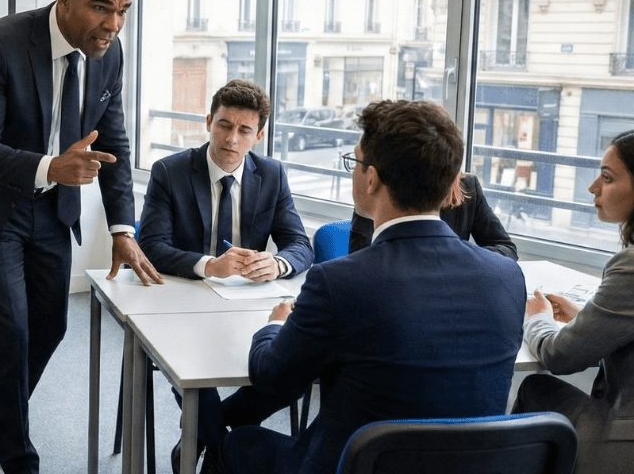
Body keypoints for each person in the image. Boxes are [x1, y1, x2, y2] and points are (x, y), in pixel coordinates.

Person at [0, 0, 163, 474]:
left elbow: (114, 141)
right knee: (9, 334)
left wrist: (122, 228)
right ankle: (19, 458)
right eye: (101, 7)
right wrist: (51, 166)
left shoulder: (109, 54)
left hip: (53, 209)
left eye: (123, 11)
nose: (113, 24)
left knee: (50, 326)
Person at [221, 100, 526, 474]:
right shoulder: (508, 278)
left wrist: (274, 326)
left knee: (238, 442)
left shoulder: (338, 282)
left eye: (356, 162)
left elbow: (271, 376)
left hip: (354, 465)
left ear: (372, 178)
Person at [138, 79, 313, 473]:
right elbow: (150, 245)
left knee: (292, 369)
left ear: (259, 136)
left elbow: (300, 244)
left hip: (247, 308)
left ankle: (206, 439)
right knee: (194, 371)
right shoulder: (170, 171)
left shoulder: (272, 174)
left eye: (244, 130)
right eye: (224, 125)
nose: (232, 139)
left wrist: (277, 264)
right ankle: (221, 452)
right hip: (180, 306)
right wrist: (208, 265)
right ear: (208, 122)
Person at [514, 127, 634, 474]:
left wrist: (537, 318)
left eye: (607, 178)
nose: (593, 187)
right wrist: (585, 316)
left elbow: (559, 356)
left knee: (536, 387)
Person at [349, 171, 517, 259]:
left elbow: (506, 248)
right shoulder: (381, 189)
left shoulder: (466, 186)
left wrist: (459, 257)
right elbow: (359, 261)